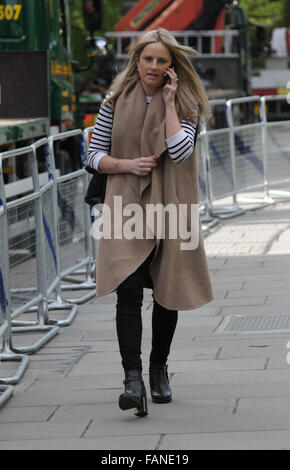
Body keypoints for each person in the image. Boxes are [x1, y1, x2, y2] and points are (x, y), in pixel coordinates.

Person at [87, 28, 213, 417]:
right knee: (128, 288)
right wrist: (125, 165)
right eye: (148, 59)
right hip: (124, 204)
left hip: (172, 205)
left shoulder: (187, 104)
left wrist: (171, 103)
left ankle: (159, 367)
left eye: (162, 61)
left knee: (166, 289)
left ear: (172, 67)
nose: (154, 67)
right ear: (136, 60)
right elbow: (92, 154)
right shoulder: (113, 102)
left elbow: (179, 151)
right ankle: (132, 377)